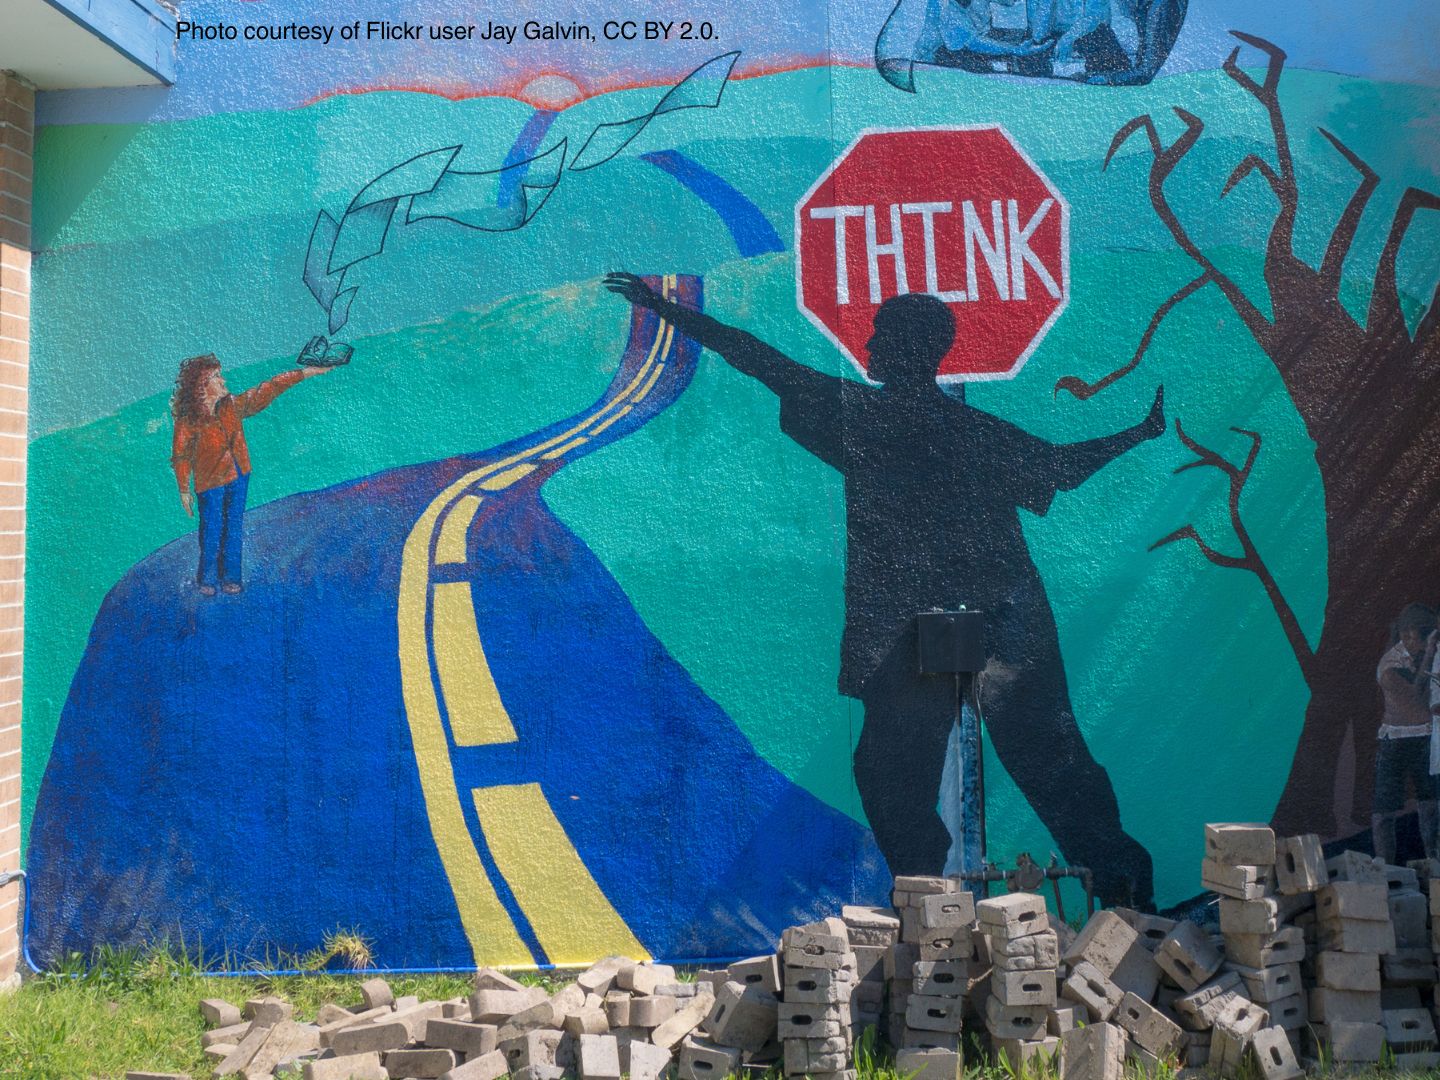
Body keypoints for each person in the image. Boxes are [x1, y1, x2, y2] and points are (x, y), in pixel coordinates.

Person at [603, 272, 1164, 907]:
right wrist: (1138, 435)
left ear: (903, 349)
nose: (867, 348)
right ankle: (1103, 894)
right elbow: (1063, 468)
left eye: (877, 337)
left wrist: (662, 308)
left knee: (913, 772)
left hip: (940, 622)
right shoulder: (963, 430)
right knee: (1008, 763)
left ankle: (936, 898)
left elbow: (763, 361)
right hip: (985, 615)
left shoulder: (863, 415)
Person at [170, 354, 332, 595]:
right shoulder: (189, 422)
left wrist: (306, 373)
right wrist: (184, 489)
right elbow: (181, 456)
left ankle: (231, 578)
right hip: (210, 483)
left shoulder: (232, 406)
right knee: (212, 530)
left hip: (239, 475)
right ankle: (207, 579)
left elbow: (268, 389)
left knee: (234, 528)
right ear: (201, 387)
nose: (224, 381)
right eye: (216, 377)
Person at [1374, 603, 1440, 863]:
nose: (1414, 642)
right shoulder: (1390, 665)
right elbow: (1415, 694)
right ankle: (1384, 868)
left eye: (1420, 637)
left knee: (1431, 805)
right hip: (1395, 741)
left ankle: (1433, 864)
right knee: (1383, 811)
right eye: (1408, 636)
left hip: (1425, 737)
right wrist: (1430, 653)